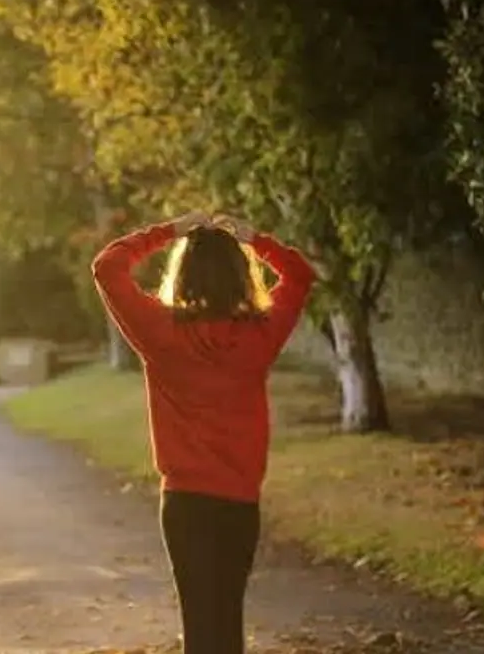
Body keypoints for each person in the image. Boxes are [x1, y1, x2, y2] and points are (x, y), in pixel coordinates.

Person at [91, 211, 317, 654]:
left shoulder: (161, 332)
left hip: (185, 503)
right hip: (238, 502)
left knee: (199, 625)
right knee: (227, 622)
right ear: (240, 276)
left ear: (184, 273)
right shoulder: (259, 335)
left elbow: (107, 266)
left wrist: (169, 230)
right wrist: (252, 237)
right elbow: (300, 274)